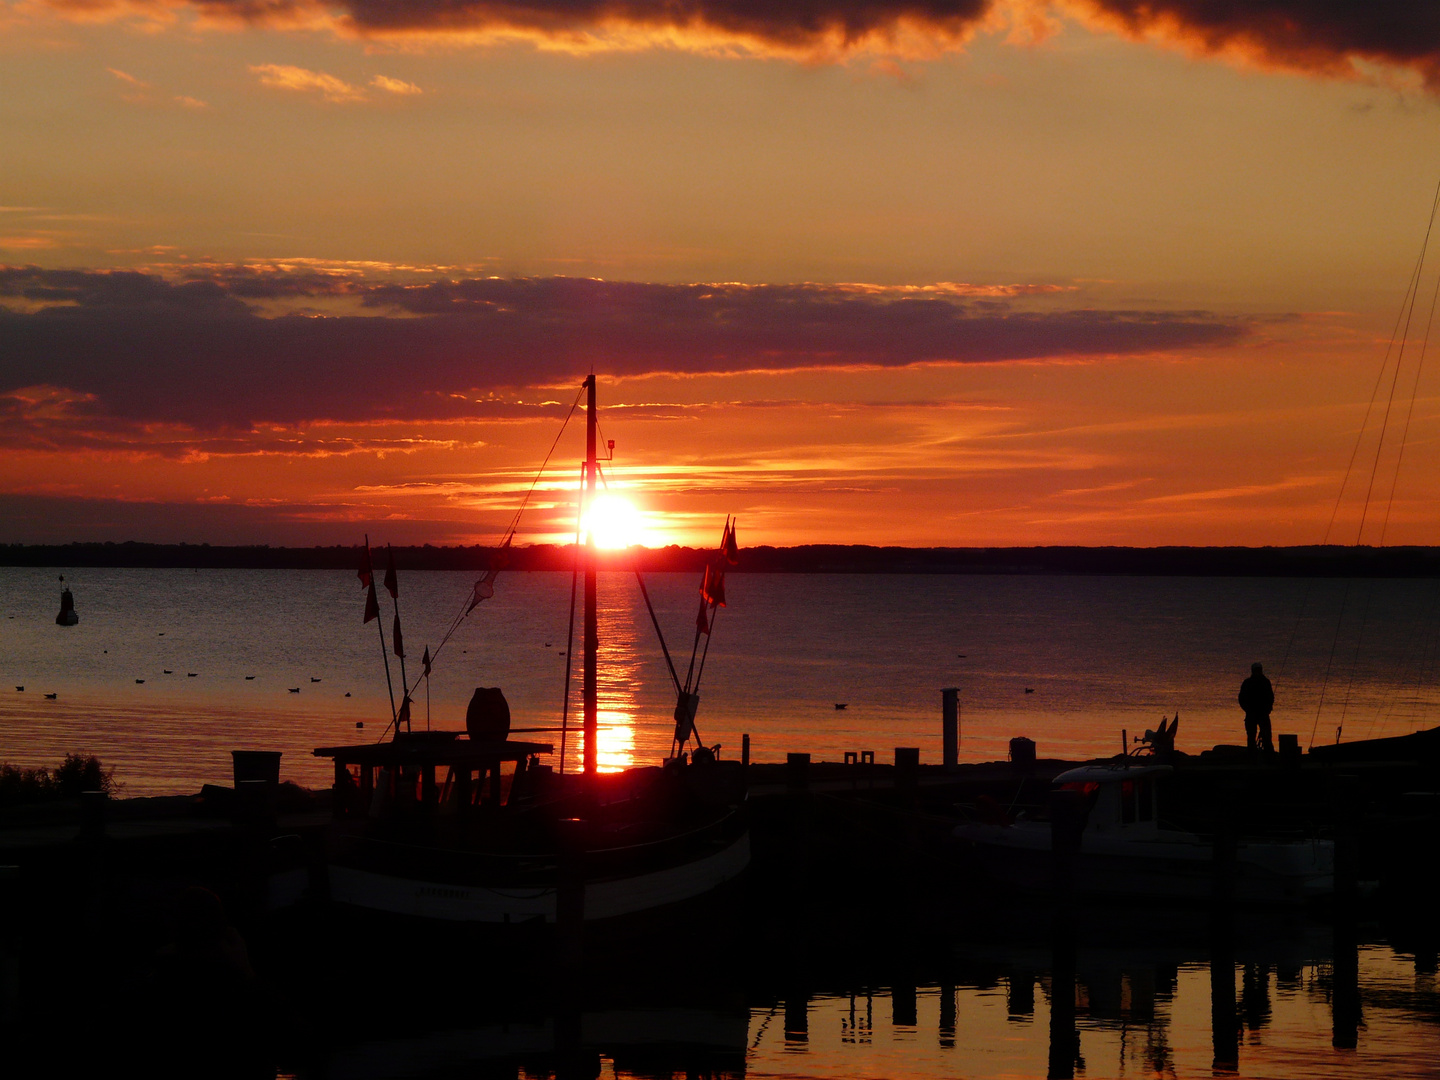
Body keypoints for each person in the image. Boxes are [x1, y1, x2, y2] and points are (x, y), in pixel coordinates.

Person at [1238, 662, 1275, 753]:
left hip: (1259, 713)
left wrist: (1268, 708)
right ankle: (1260, 755)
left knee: (1264, 735)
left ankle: (1266, 754)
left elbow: (1270, 697)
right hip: (1256, 713)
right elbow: (1270, 697)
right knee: (1253, 736)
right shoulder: (1264, 682)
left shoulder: (1249, 682)